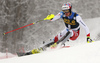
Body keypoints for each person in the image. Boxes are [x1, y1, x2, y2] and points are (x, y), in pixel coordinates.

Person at [17, 2, 93, 56]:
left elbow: (85, 27)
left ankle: (60, 44)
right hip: (67, 30)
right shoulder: (62, 14)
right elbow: (54, 18)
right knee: (55, 39)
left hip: (75, 33)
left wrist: (88, 37)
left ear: (70, 10)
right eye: (64, 11)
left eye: (67, 11)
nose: (65, 13)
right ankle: (40, 48)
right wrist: (50, 18)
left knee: (69, 31)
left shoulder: (76, 16)